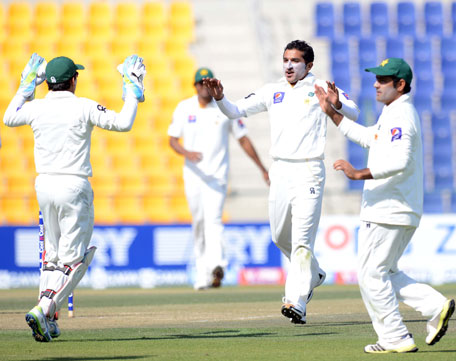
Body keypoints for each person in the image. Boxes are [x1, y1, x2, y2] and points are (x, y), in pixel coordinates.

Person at [203, 40, 360, 323]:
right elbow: (235, 111)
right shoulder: (272, 90)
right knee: (279, 237)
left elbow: (354, 111)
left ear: (308, 65)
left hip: (309, 169)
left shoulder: (322, 87)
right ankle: (314, 273)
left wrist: (337, 104)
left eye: (296, 61)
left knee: (301, 244)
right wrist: (219, 99)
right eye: (286, 59)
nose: (288, 65)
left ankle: (296, 301)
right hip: (281, 171)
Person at [315, 57, 455, 353]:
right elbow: (368, 137)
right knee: (385, 272)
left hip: (388, 207)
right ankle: (435, 306)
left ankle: (395, 336)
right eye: (376, 78)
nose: (376, 84)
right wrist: (333, 112)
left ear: (400, 84)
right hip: (395, 207)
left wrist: (359, 173)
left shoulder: (402, 114)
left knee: (371, 275)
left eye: (383, 79)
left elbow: (400, 161)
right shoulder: (392, 113)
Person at [3, 53, 146, 342]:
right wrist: (131, 89)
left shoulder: (36, 108)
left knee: (53, 258)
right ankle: (44, 308)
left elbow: (8, 117)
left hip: (44, 186)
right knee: (76, 259)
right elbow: (123, 123)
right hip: (73, 185)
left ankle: (50, 321)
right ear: (73, 81)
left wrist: (25, 86)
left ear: (48, 84)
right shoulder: (83, 106)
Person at [168, 67, 269, 290]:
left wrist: (262, 168)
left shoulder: (225, 108)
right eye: (200, 83)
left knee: (213, 220)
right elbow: (172, 139)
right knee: (199, 223)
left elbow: (243, 139)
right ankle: (202, 274)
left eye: (207, 83)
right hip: (193, 175)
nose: (204, 87)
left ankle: (216, 265)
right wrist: (187, 153)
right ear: (194, 86)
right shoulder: (184, 108)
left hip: (217, 176)